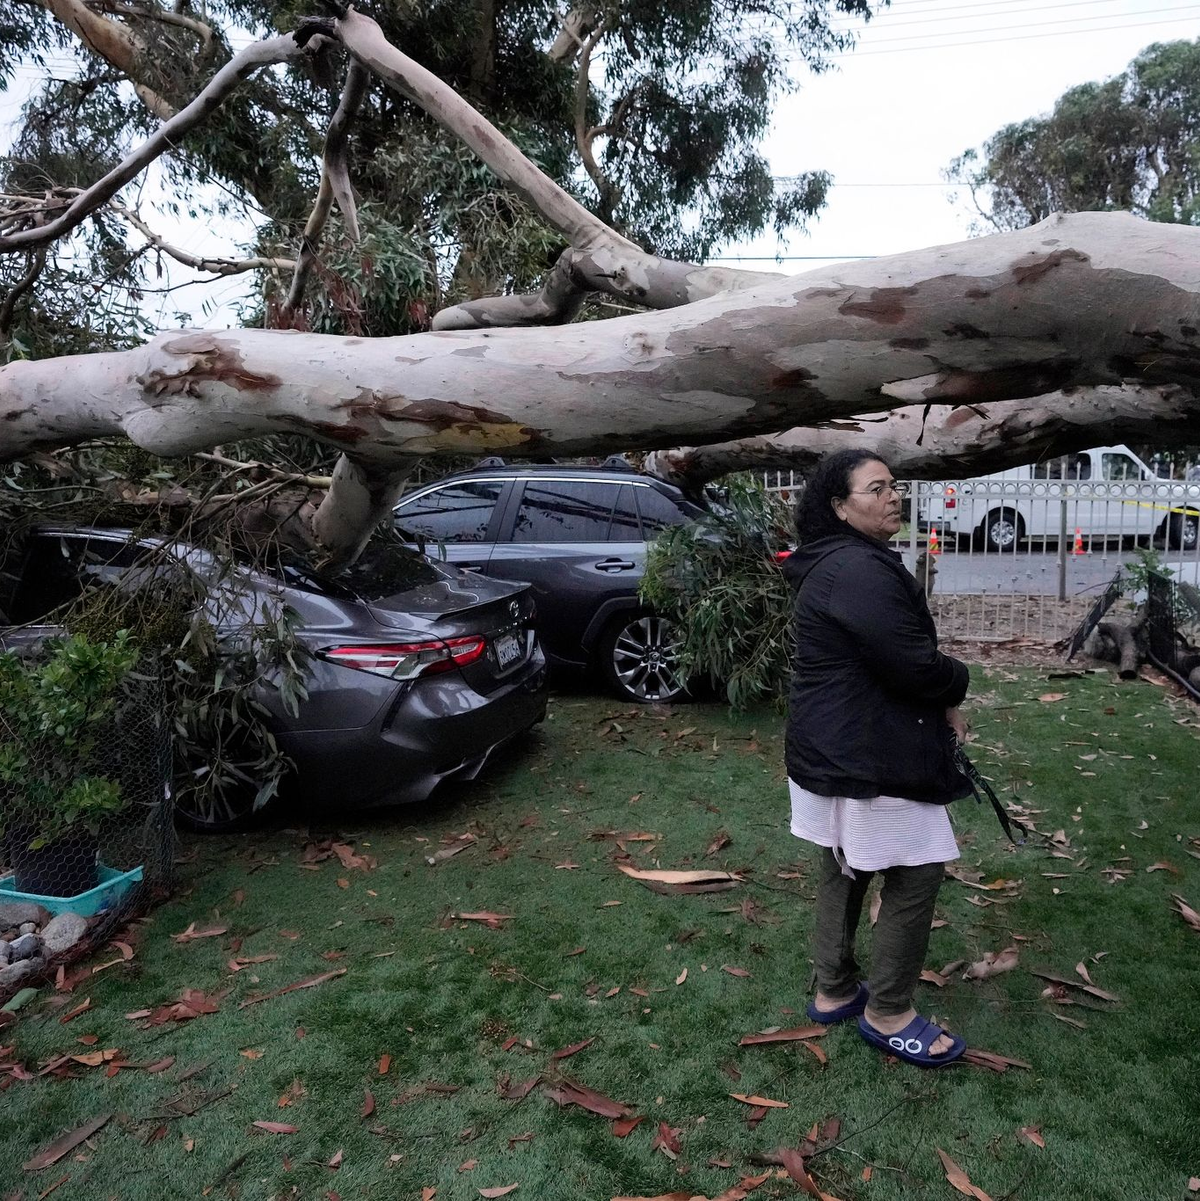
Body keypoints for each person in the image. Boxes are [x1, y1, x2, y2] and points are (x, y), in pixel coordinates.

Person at [783, 448, 971, 1068]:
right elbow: (912, 663)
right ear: (840, 506)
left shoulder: (839, 562)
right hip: (865, 754)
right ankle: (889, 1011)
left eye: (895, 486)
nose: (895, 497)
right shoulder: (857, 570)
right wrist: (956, 683)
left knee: (844, 865)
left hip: (838, 744)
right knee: (917, 869)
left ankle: (835, 990)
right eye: (877, 488)